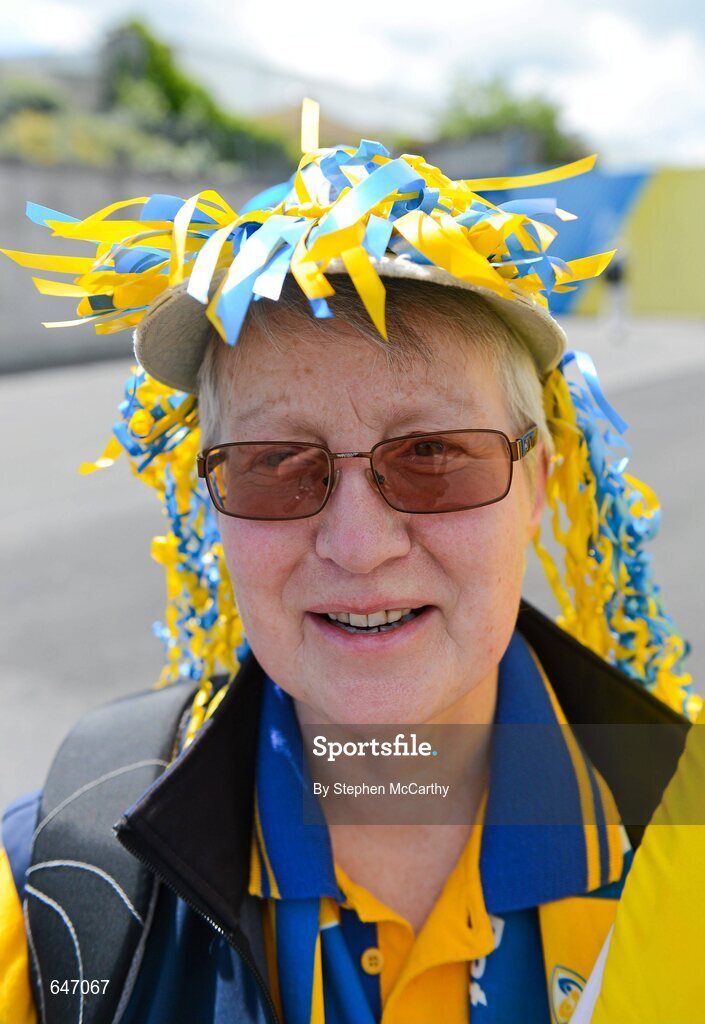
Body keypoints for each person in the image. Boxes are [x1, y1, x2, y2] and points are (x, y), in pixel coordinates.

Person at [0, 107, 696, 1024]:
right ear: (213, 498)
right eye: (277, 467)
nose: (359, 544)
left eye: (434, 456)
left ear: (537, 483)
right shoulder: (52, 890)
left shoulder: (683, 836)